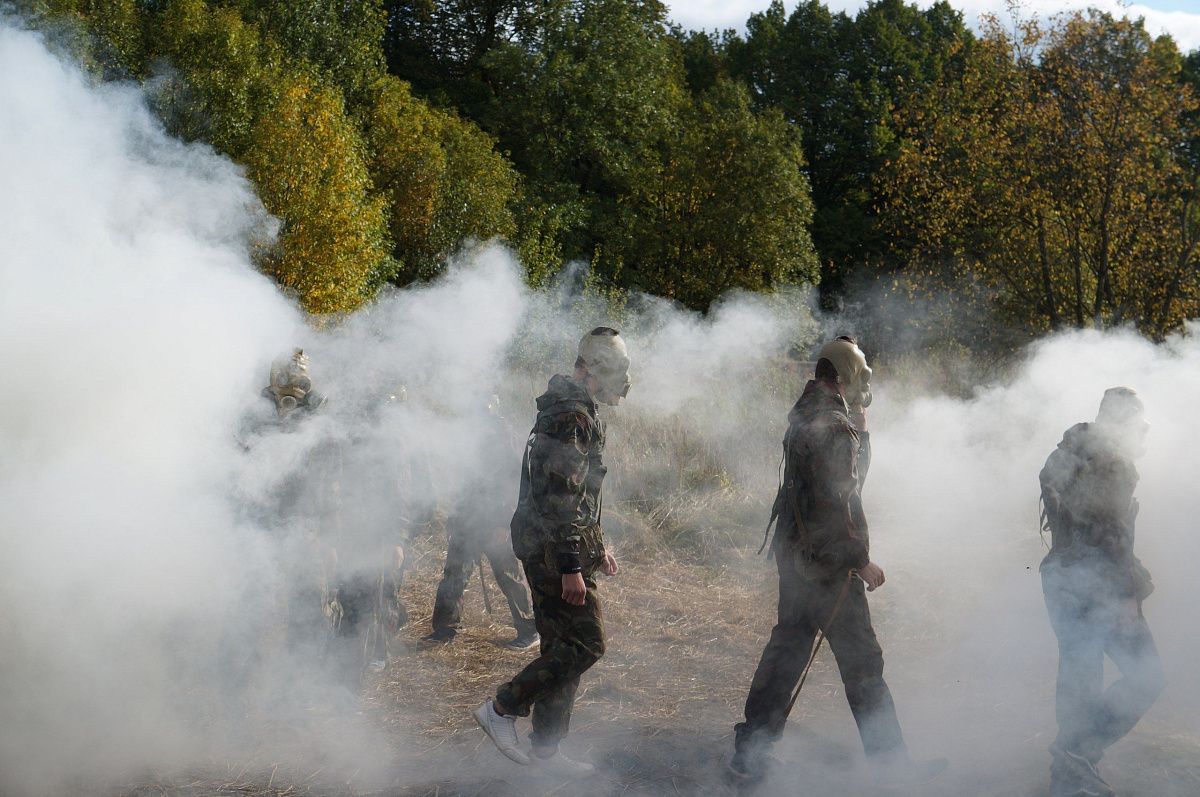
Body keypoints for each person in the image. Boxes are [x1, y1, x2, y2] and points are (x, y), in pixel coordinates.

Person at [731, 337, 945, 785]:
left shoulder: (806, 414)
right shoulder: (834, 424)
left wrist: (860, 431)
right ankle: (892, 769)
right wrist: (859, 558)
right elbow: (843, 496)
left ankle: (750, 757)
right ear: (845, 377)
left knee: (787, 650)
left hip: (795, 558)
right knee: (863, 663)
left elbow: (838, 482)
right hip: (828, 565)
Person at [472, 327, 630, 774]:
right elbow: (560, 497)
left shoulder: (569, 408)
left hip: (552, 543)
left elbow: (578, 495)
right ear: (595, 373)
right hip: (550, 549)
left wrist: (594, 549)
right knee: (586, 642)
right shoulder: (570, 417)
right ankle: (503, 708)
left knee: (563, 645)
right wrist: (570, 565)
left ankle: (546, 750)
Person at [1039, 387, 1164, 797]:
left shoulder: (1072, 449)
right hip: (1096, 586)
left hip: (1062, 580)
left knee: (1080, 677)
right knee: (1147, 676)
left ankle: (1071, 773)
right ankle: (1076, 753)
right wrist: (1126, 595)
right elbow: (1107, 533)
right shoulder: (1113, 462)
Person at [422, 394, 538, 649]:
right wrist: (455, 518)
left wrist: (503, 523)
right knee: (454, 574)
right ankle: (444, 629)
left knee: (508, 576)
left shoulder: (503, 438)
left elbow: (514, 483)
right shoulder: (468, 437)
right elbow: (463, 482)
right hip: (468, 518)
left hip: (493, 518)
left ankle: (529, 630)